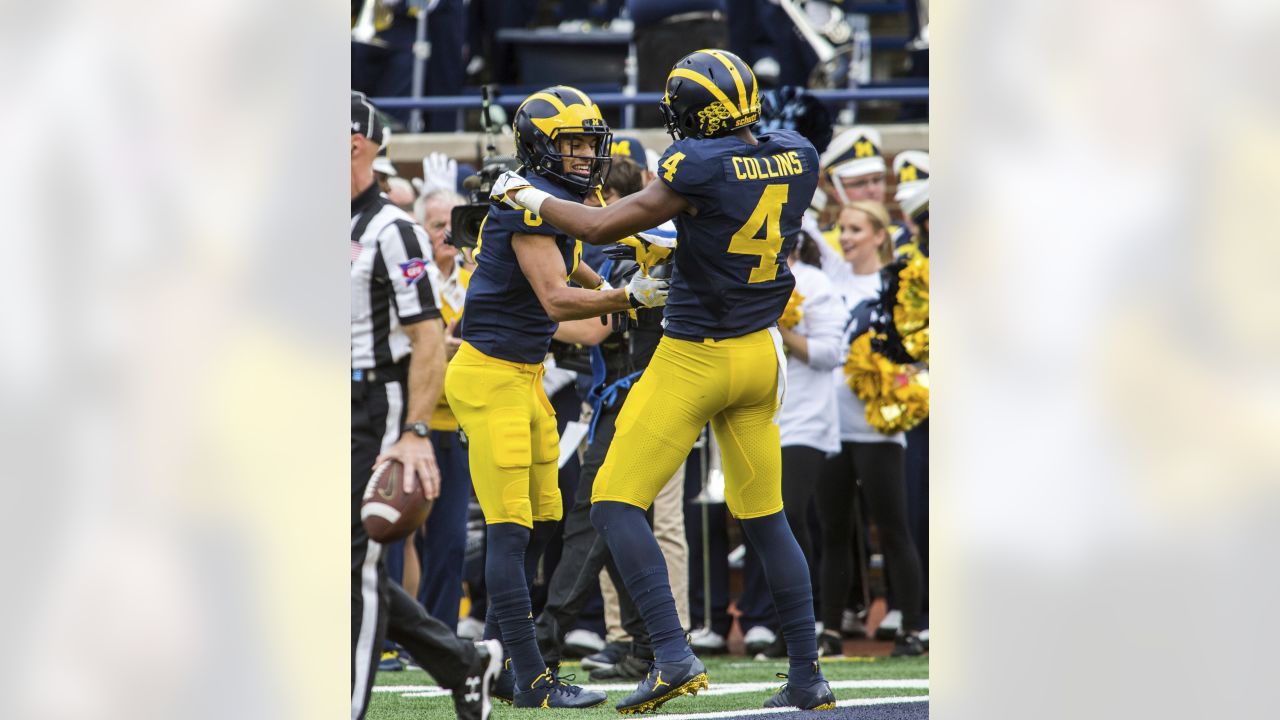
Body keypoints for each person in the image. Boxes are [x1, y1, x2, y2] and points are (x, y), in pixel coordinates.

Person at [491, 49, 835, 712]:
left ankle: (673, 657)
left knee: (617, 503)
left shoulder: (693, 165)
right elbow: (722, 216)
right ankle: (807, 674)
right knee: (766, 517)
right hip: (761, 357)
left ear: (689, 115)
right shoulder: (798, 153)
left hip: (696, 355)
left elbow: (595, 224)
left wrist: (523, 193)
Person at [443, 85, 669, 710]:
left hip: (523, 378)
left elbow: (574, 270)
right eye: (569, 143)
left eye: (585, 144)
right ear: (539, 145)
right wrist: (631, 298)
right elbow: (557, 299)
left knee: (545, 523)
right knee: (511, 533)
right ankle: (531, 679)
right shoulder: (526, 205)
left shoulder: (555, 199)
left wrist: (623, 273)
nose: (580, 155)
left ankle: (494, 665)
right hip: (490, 378)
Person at [349, 91, 502, 720]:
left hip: (370, 400)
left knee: (352, 559)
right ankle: (463, 663)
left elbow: (428, 337)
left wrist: (413, 431)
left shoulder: (394, 229)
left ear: (355, 144)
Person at [815, 200, 927, 657]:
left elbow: (919, 348)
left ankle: (912, 628)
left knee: (893, 526)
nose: (845, 238)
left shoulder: (898, 281)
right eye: (841, 229)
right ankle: (830, 629)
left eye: (856, 229)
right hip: (831, 422)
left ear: (881, 234)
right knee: (835, 530)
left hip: (879, 425)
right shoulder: (830, 279)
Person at [738, 230, 847, 657]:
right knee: (764, 519)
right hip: (760, 416)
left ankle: (805, 623)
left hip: (806, 421)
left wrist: (779, 328)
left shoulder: (816, 283)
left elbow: (828, 354)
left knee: (791, 514)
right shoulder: (744, 277)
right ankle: (776, 621)